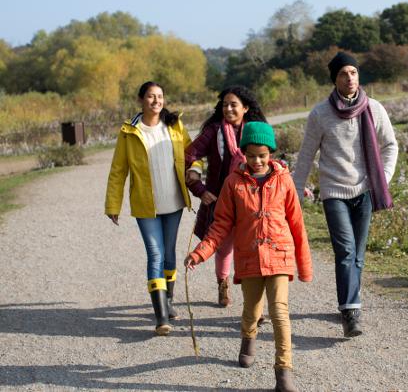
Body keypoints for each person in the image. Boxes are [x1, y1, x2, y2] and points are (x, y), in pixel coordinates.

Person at [185, 122, 312, 392]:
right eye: (251, 155)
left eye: (263, 155)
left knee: (279, 312)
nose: (257, 161)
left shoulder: (284, 180)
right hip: (248, 257)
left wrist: (305, 267)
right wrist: (200, 253)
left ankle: (283, 373)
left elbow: (297, 225)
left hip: (279, 255)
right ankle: (248, 339)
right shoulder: (233, 184)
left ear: (271, 153)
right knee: (251, 311)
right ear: (243, 153)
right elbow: (220, 225)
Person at [293, 51, 398, 338]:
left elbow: (390, 146)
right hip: (333, 191)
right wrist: (293, 195)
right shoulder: (319, 113)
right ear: (334, 79)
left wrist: (383, 179)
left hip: (365, 189)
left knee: (359, 255)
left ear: (358, 76)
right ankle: (351, 313)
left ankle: (348, 300)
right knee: (346, 251)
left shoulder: (374, 108)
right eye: (343, 73)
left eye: (353, 72)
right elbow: (305, 156)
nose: (349, 77)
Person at [105, 81, 203, 335]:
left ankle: (168, 301)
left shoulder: (174, 125)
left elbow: (193, 154)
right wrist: (113, 204)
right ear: (141, 100)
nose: (156, 101)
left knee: (169, 254)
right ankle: (161, 317)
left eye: (159, 96)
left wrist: (194, 170)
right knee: (155, 255)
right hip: (145, 205)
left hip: (174, 203)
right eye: (150, 96)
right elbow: (118, 172)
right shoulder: (129, 132)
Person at [184, 86, 269, 325]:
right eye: (225, 105)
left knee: (253, 250)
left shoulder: (255, 132)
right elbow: (189, 156)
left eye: (234, 105)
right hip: (223, 202)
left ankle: (256, 306)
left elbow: (267, 160)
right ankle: (223, 282)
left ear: (246, 108)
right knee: (224, 248)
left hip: (252, 201)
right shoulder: (214, 131)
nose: (229, 109)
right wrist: (201, 190)